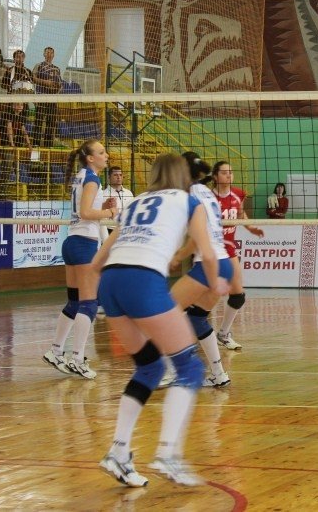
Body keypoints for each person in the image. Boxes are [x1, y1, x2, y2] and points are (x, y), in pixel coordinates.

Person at [95, 153, 226, 488]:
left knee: (150, 367)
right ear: (183, 175)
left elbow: (98, 261)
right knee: (190, 368)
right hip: (142, 281)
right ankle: (168, 454)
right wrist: (216, 283)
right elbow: (208, 252)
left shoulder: (136, 201)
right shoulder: (189, 200)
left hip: (110, 283)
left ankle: (118, 451)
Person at [42, 139, 118, 379]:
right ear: (90, 158)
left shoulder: (80, 176)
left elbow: (83, 209)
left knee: (75, 302)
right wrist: (109, 212)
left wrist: (101, 206)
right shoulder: (92, 179)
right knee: (89, 303)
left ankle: (55, 351)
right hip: (84, 244)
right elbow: (86, 212)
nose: (106, 155)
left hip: (72, 243)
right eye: (102, 152)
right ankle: (77, 358)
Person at [165, 152, 234, 388]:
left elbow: (197, 237)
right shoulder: (206, 191)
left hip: (207, 263)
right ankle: (219, 374)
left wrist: (177, 256)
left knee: (165, 312)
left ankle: (168, 370)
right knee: (196, 319)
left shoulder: (188, 195)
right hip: (224, 263)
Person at [211, 161, 264, 350]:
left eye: (231, 172)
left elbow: (241, 214)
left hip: (229, 250)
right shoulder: (207, 197)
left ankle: (223, 333)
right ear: (215, 176)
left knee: (238, 296)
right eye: (224, 172)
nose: (229, 175)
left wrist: (251, 228)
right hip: (210, 250)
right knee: (203, 297)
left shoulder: (238, 194)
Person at [32, 46, 62, 148]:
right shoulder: (39, 65)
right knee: (38, 121)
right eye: (47, 52)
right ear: (44, 54)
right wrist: (46, 82)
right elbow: (33, 78)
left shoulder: (57, 69)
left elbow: (59, 84)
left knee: (51, 122)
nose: (49, 54)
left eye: (51, 53)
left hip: (52, 98)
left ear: (53, 55)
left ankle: (48, 146)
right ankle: (35, 144)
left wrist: (57, 89)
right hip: (41, 97)